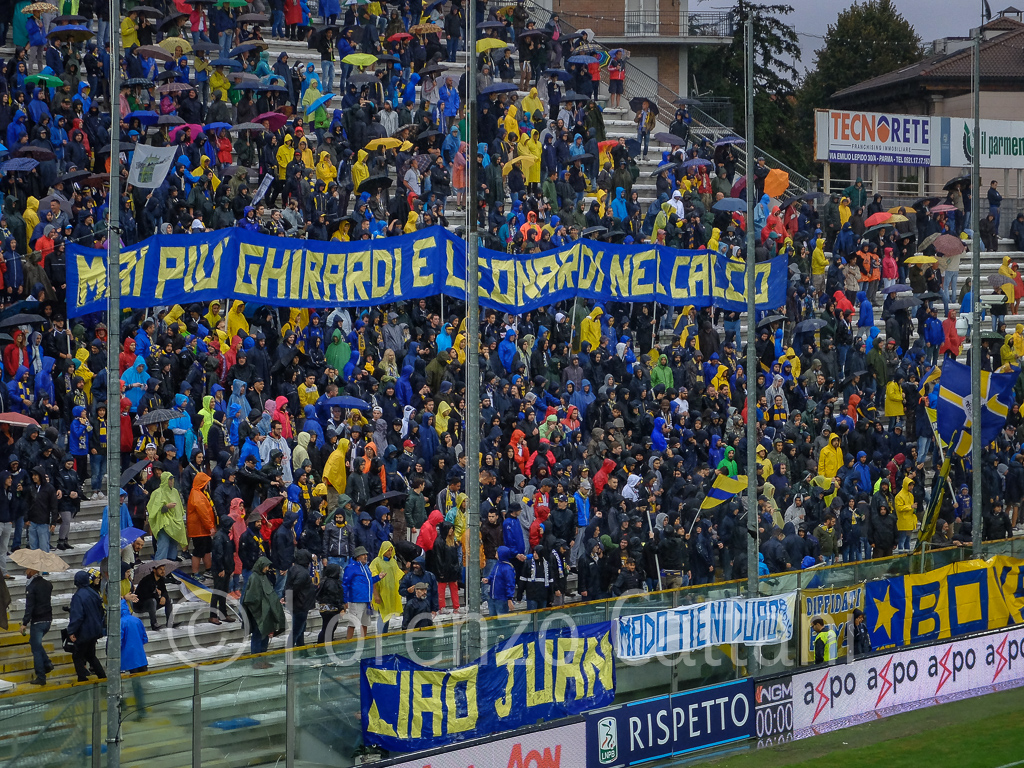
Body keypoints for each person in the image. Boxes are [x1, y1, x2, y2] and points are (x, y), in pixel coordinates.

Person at [242, 556, 286, 663]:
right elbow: (251, 598)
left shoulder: (264, 577)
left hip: (266, 613)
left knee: (265, 636)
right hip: (258, 614)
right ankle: (256, 661)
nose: (267, 568)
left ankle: (263, 658)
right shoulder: (254, 578)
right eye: (266, 566)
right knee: (257, 637)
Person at [67, 570, 106, 682]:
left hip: (84, 631)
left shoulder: (78, 596)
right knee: (90, 655)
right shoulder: (94, 593)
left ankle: (82, 678)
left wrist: (71, 631)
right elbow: (100, 611)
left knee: (77, 655)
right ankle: (102, 677)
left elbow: (77, 616)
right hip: (95, 629)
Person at [21, 566, 53, 685]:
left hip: (38, 621)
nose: (26, 572)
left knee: (36, 649)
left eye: (27, 569)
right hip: (48, 619)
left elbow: (29, 606)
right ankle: (47, 663)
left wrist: (24, 623)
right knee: (35, 643)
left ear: (32, 570)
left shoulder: (32, 587)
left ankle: (41, 676)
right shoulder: (48, 584)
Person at [342, 546, 380, 639]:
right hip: (356, 600)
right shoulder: (350, 568)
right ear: (357, 557)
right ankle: (348, 643)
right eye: (363, 555)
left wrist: (378, 577)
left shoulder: (366, 567)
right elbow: (345, 584)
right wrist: (344, 600)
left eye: (366, 554)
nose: (366, 556)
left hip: (367, 600)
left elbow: (369, 581)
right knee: (352, 624)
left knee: (365, 624)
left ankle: (363, 642)